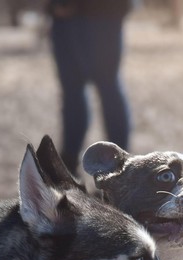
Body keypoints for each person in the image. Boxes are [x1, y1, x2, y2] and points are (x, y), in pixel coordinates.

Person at [47, 0, 133, 174]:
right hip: (65, 18)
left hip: (103, 13)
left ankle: (121, 165)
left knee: (108, 87)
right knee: (72, 92)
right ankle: (69, 163)